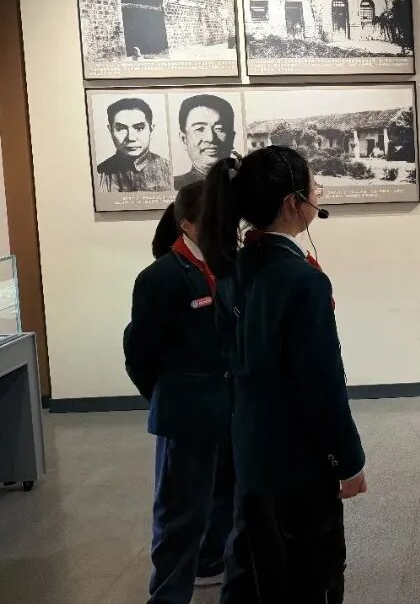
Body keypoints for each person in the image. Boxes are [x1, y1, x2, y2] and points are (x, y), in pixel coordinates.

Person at [201, 146, 367, 603]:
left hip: (251, 448)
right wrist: (348, 460)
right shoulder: (303, 281)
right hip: (298, 462)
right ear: (294, 203)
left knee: (256, 570)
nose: (319, 192)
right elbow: (321, 384)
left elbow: (228, 359)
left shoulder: (233, 268)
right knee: (310, 574)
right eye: (313, 185)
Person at [124, 181, 236, 603]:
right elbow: (140, 354)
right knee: (179, 511)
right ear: (187, 223)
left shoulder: (228, 267)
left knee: (225, 496)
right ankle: (169, 593)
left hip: (228, 407)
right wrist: (168, 397)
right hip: (186, 415)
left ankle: (209, 564)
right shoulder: (161, 277)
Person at [98, 97, 172, 193]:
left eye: (139, 128)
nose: (131, 138)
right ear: (110, 131)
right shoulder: (98, 174)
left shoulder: (169, 171)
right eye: (121, 129)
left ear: (151, 130)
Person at [174, 94, 237, 190]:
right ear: (184, 140)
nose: (210, 138)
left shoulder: (250, 183)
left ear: (231, 138)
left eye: (219, 129)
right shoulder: (175, 185)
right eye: (199, 129)